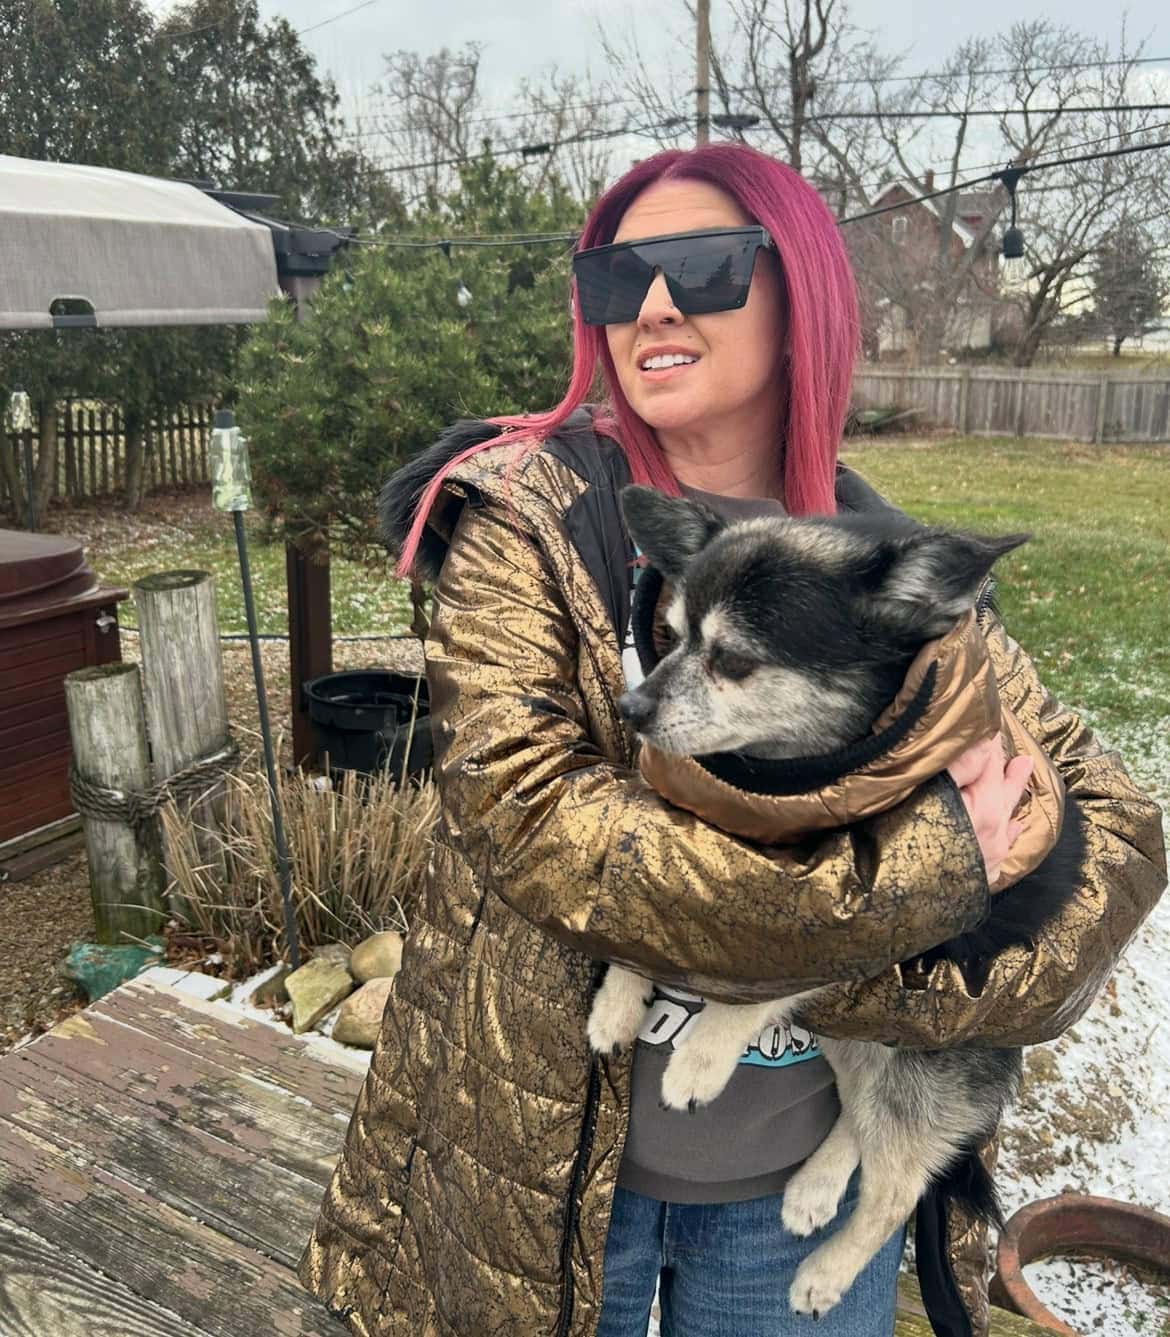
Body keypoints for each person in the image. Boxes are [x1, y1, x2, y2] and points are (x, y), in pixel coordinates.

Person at [296, 143, 1165, 1337]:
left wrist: (999, 943)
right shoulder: (528, 525)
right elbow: (553, 836)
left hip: (794, 1196)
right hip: (540, 1186)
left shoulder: (885, 568)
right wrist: (940, 870)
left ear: (801, 286)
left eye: (702, 266)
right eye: (615, 278)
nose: (650, 304)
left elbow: (1114, 822)